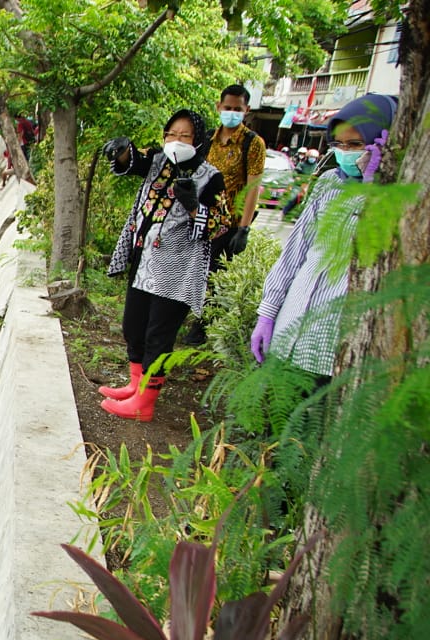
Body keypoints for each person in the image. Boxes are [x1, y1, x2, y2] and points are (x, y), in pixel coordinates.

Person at [250, 94, 398, 378]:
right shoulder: (329, 183)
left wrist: (374, 191)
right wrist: (267, 313)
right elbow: (296, 252)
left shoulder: (401, 195)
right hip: (290, 329)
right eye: (338, 144)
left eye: (355, 144)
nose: (345, 152)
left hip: (337, 348)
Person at [97, 110, 231, 422]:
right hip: (144, 262)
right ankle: (135, 386)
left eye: (184, 136)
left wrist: (193, 205)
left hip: (176, 271)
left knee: (159, 334)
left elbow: (220, 225)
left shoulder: (210, 177)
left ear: (197, 140)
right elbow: (133, 161)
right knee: (134, 326)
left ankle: (145, 403)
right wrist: (122, 151)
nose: (176, 141)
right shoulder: (158, 160)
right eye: (171, 134)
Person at [181, 83, 265, 345]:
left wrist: (244, 227)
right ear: (219, 107)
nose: (231, 112)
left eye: (237, 109)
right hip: (200, 217)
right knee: (190, 269)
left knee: (212, 276)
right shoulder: (207, 139)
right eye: (227, 108)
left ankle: (202, 327)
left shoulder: (252, 143)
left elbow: (253, 187)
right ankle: (182, 317)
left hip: (228, 223)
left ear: (246, 110)